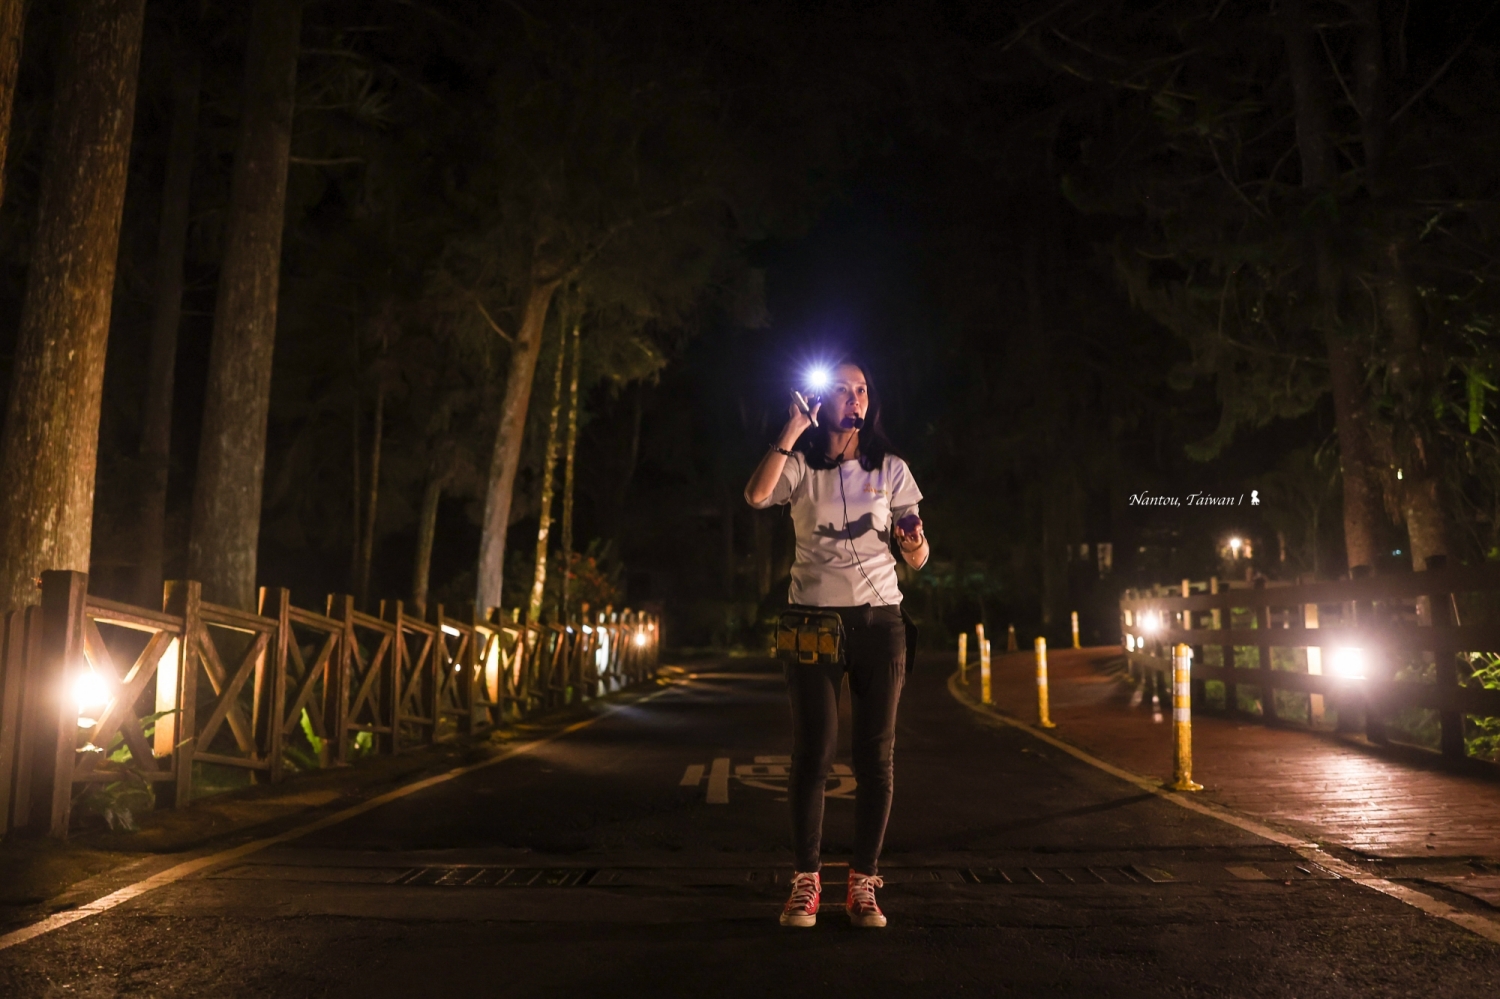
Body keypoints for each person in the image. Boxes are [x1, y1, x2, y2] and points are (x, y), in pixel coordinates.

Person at [744, 360, 929, 929]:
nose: (855, 399)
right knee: (813, 754)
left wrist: (912, 541)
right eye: (844, 390)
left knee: (876, 758)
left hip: (881, 622)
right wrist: (793, 426)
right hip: (813, 623)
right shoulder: (801, 468)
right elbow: (756, 496)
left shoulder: (892, 469)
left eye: (862, 390)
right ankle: (806, 882)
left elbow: (919, 556)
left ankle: (863, 884)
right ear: (823, 401)